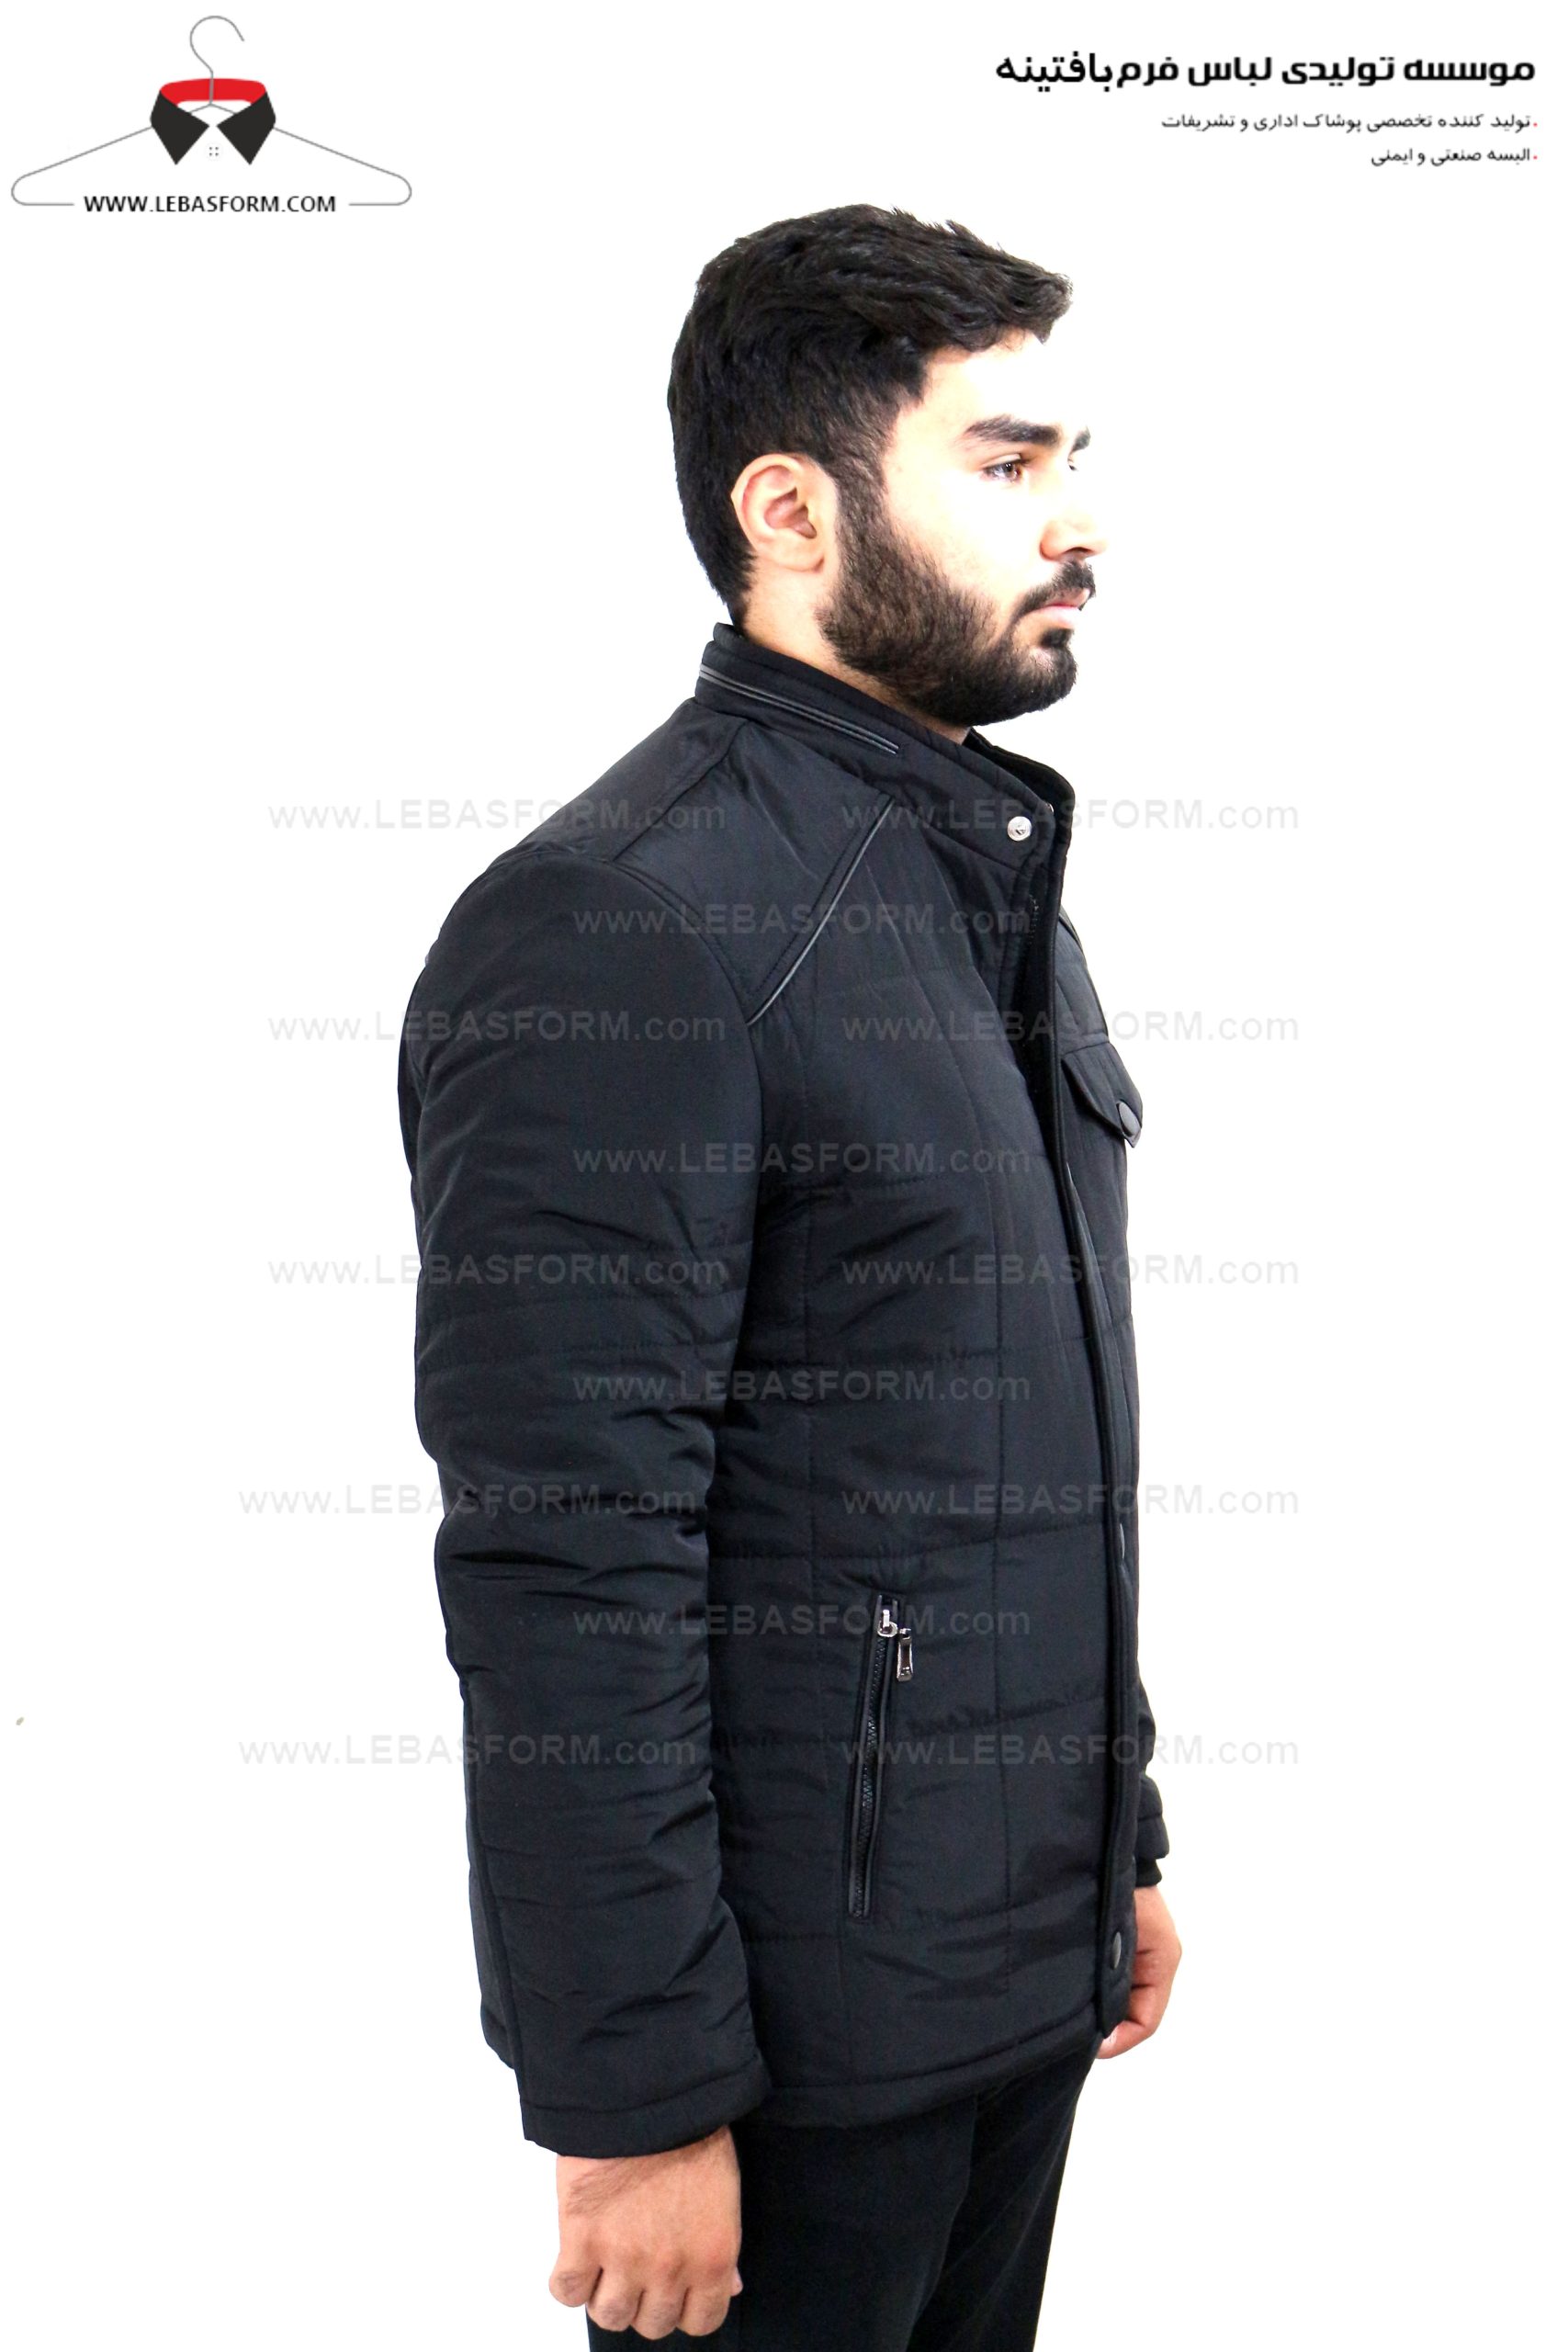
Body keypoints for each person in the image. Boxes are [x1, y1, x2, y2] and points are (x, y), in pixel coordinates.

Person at [397, 201, 1181, 2349]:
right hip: (784, 2065)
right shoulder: (624, 919)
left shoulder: (970, 884)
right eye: (1004, 463)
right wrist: (633, 2098)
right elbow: (564, 1547)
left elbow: (1003, 1444)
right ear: (790, 511)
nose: (1077, 520)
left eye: (1071, 457)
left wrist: (1105, 1834)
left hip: (1006, 1989)